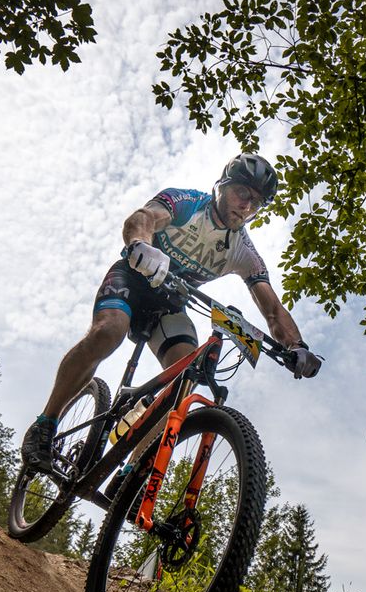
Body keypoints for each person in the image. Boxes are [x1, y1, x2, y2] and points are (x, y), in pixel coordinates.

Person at [21, 153, 321, 473]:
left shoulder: (243, 251)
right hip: (133, 280)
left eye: (257, 202)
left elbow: (272, 307)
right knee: (108, 332)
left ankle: (131, 474)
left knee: (185, 378)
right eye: (242, 193)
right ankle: (46, 423)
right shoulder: (189, 203)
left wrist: (296, 346)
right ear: (221, 186)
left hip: (169, 305)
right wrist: (141, 244)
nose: (247, 206)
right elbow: (144, 218)